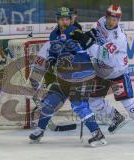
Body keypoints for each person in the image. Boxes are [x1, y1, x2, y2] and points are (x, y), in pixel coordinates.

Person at [71, 5, 134, 143]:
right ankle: (116, 117)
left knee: (129, 105)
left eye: (115, 19)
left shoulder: (119, 37)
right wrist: (85, 36)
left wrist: (86, 42)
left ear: (119, 20)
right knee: (93, 100)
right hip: (101, 71)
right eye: (110, 18)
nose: (111, 22)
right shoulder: (102, 21)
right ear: (106, 16)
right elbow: (95, 34)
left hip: (117, 71)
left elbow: (102, 54)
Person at [29, 7, 107, 147]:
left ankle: (97, 133)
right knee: (49, 102)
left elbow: (86, 43)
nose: (64, 21)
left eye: (66, 19)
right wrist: (52, 59)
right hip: (63, 76)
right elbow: (53, 51)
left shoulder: (75, 31)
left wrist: (85, 39)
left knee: (79, 106)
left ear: (70, 19)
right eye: (61, 19)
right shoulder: (53, 35)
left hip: (82, 75)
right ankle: (40, 130)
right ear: (57, 20)